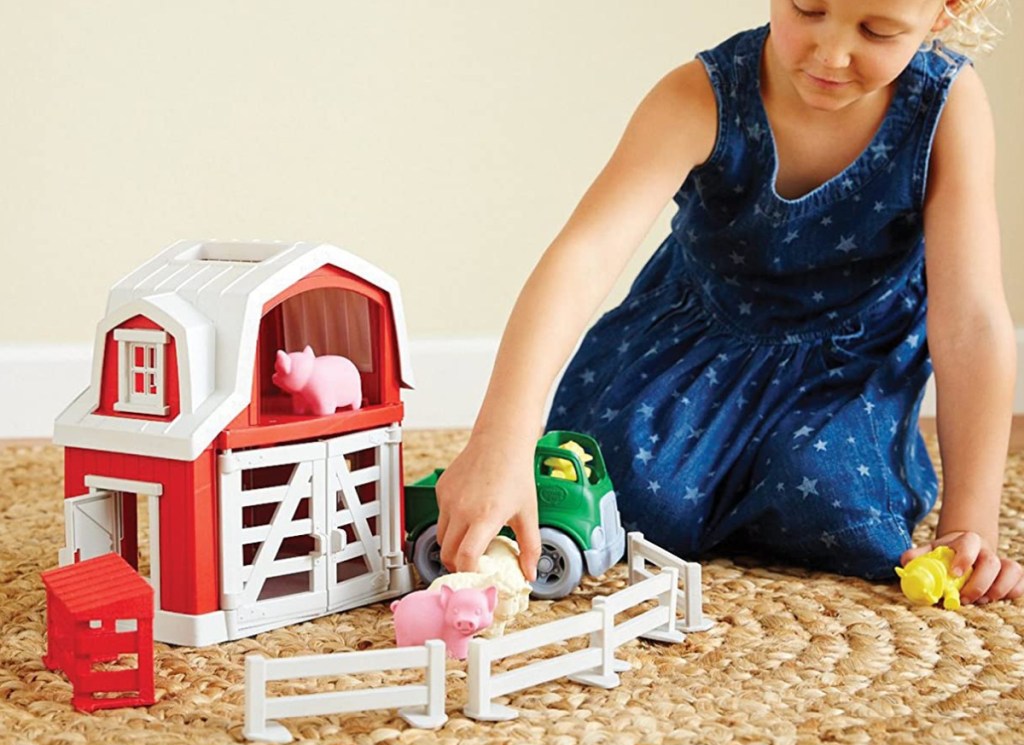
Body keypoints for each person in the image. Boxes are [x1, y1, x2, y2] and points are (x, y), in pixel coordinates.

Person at [435, 0, 1024, 604]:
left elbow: (971, 322)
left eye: (877, 30)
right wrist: (501, 435)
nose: (831, 53)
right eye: (808, 8)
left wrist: (970, 524)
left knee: (837, 506)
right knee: (626, 501)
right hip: (696, 351)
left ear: (946, 14)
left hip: (843, 370)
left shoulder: (947, 106)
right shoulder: (700, 96)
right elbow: (584, 257)